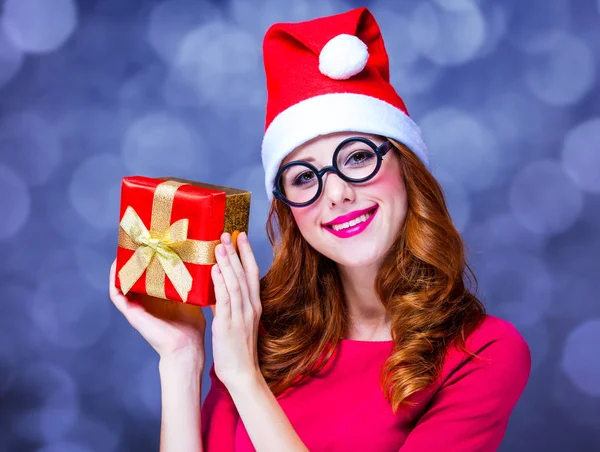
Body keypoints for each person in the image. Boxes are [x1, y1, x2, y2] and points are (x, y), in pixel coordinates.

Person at [109, 6, 531, 452]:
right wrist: (182, 358)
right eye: (305, 178)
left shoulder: (484, 353)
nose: (336, 194)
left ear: (407, 169)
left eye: (356, 157)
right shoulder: (261, 332)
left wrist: (244, 379)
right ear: (290, 212)